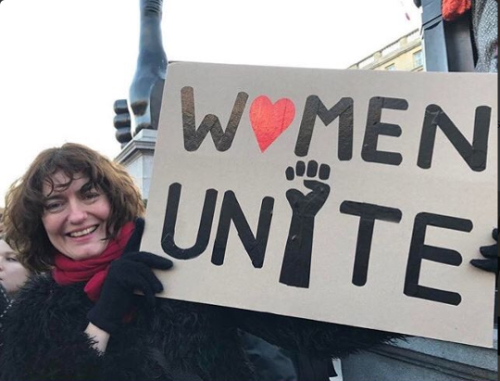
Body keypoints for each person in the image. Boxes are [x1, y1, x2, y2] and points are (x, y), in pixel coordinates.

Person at [0, 143, 403, 381]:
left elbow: (307, 333)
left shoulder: (184, 261)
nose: (76, 215)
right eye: (55, 204)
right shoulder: (34, 311)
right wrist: (106, 312)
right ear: (40, 221)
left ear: (113, 199)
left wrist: (434, 283)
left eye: (89, 195)